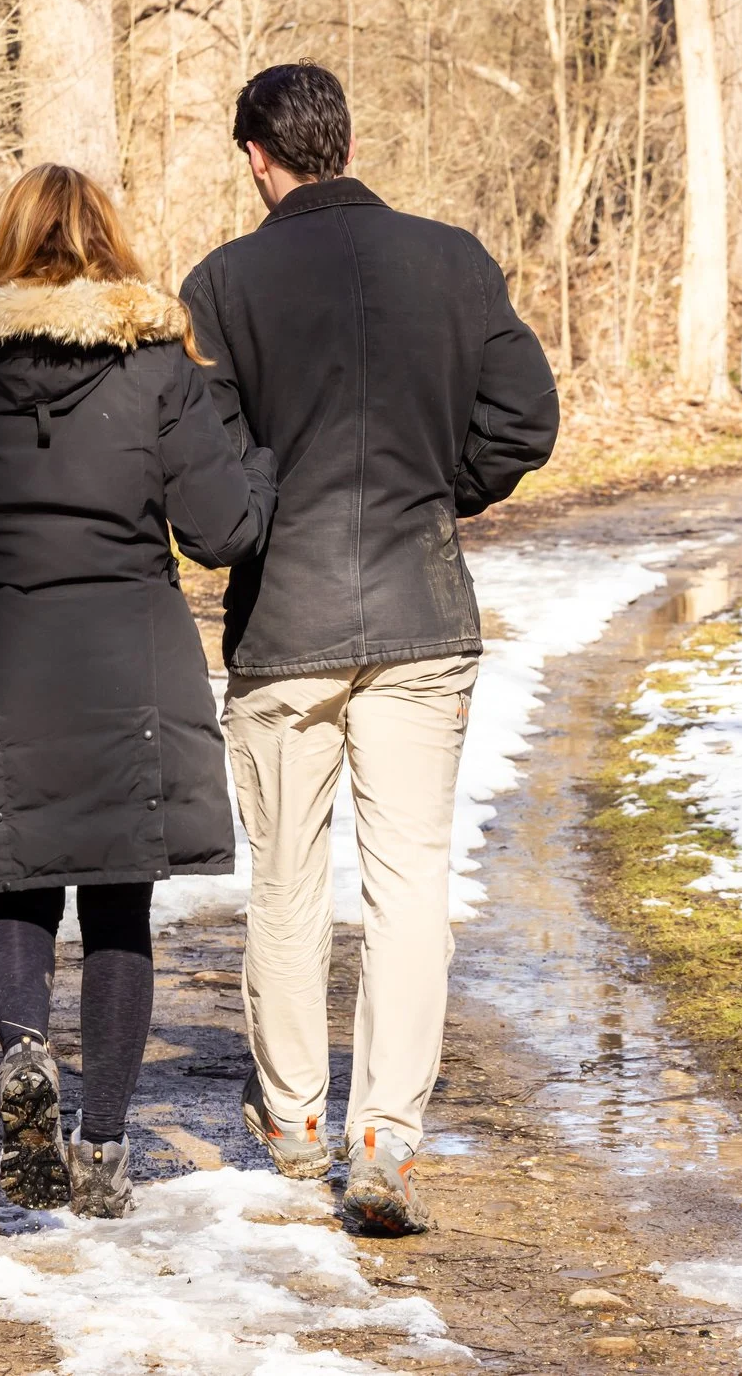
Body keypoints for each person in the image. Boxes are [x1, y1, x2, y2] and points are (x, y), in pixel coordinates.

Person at [179, 64, 558, 1236]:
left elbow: (209, 496)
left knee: (288, 877)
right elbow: (524, 420)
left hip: (284, 624)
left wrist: (257, 524)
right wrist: (438, 493)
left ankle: (294, 1119)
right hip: (420, 610)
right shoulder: (453, 259)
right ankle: (384, 1134)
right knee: (408, 890)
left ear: (256, 155)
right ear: (343, 140)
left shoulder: (220, 284)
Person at [0, 164, 276, 1219]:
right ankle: (101, 1147)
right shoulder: (155, 366)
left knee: (15, 884)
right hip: (130, 663)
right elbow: (223, 529)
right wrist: (264, 468)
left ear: (2, 241)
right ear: (107, 239)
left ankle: (22, 1050)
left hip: (1, 659)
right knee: (116, 901)